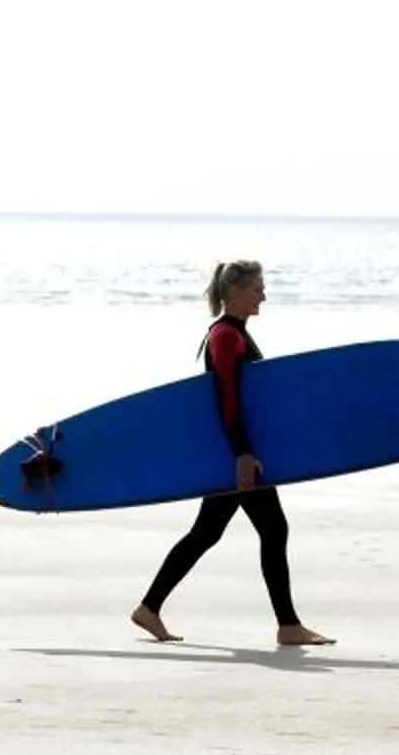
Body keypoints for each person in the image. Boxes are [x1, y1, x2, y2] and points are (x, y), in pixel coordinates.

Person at [130, 260, 334, 647]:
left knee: (208, 532)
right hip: (236, 454)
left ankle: (149, 607)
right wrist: (242, 453)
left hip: (234, 452)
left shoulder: (233, 333)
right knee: (272, 529)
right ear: (235, 292)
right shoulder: (225, 335)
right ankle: (288, 625)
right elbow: (226, 396)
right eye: (257, 288)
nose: (263, 296)